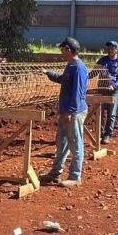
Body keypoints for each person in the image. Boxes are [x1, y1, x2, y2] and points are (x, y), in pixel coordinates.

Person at [40, 37, 88, 188]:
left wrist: (69, 112)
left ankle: (75, 176)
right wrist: (49, 73)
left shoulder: (79, 68)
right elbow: (63, 80)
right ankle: (55, 173)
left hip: (73, 113)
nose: (61, 52)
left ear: (68, 49)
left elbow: (78, 93)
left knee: (75, 143)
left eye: (62, 50)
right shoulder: (70, 66)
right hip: (66, 112)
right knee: (61, 143)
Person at [96, 41, 118, 144]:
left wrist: (113, 86)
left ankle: (107, 135)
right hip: (101, 90)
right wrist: (85, 77)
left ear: (116, 50)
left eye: (112, 48)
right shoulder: (102, 60)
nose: (109, 50)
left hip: (113, 92)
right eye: (108, 48)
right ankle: (99, 134)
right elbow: (94, 72)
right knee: (100, 113)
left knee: (111, 114)